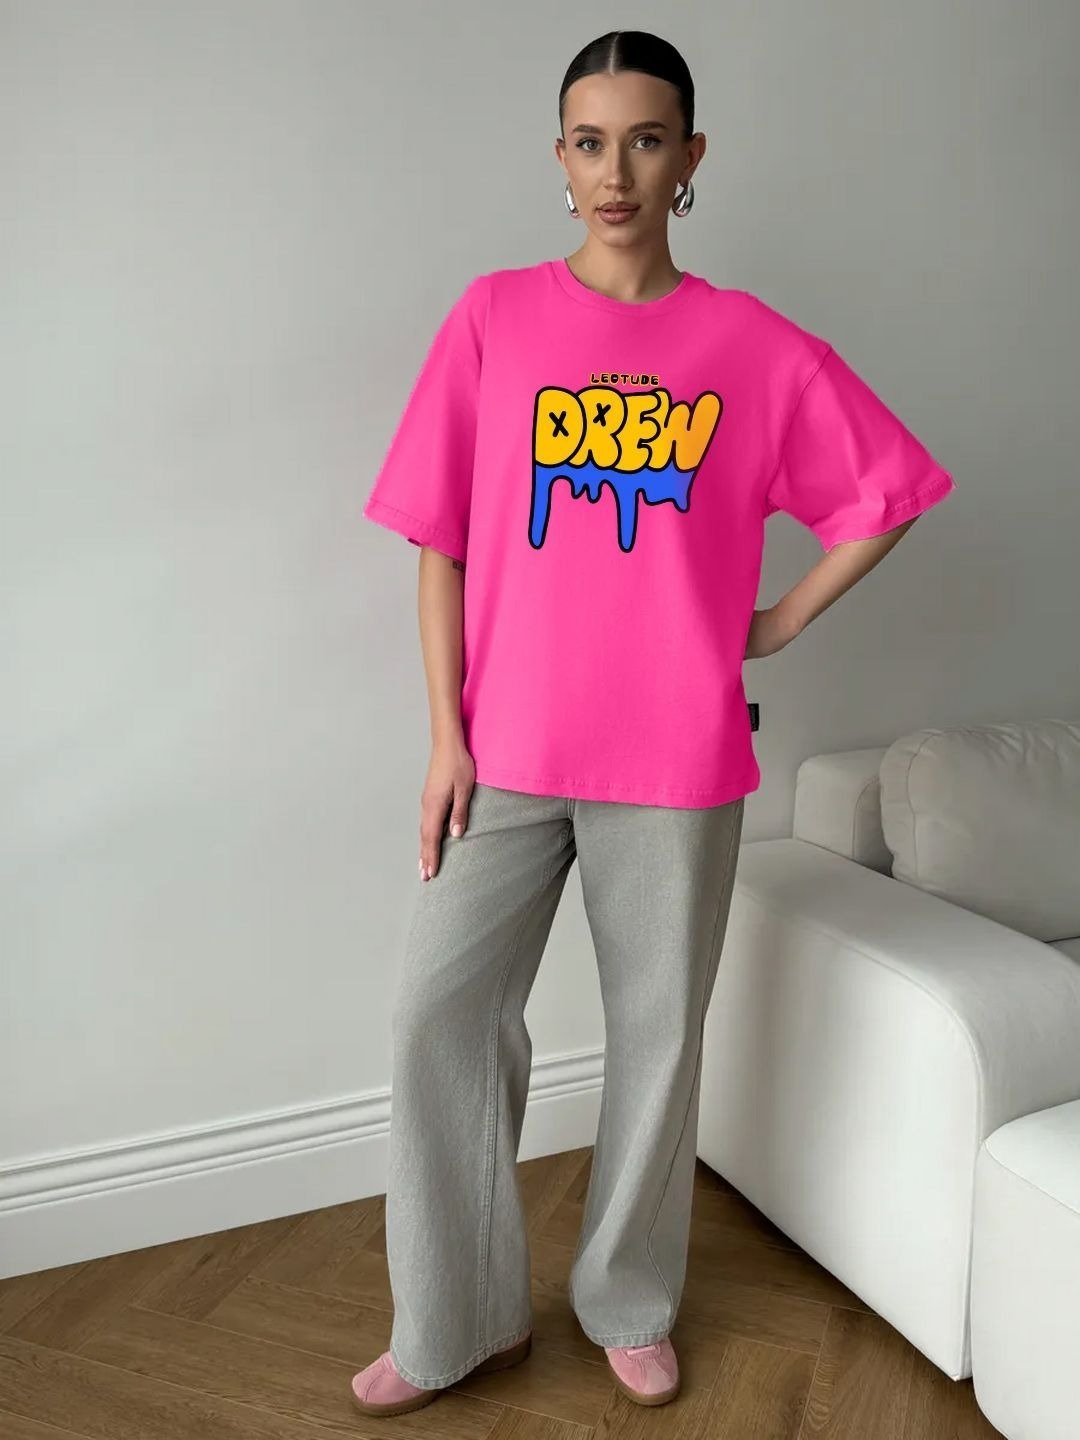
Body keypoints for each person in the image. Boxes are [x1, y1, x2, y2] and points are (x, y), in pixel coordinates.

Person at [350, 28, 956, 1418]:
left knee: (659, 1037)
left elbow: (889, 491)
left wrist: (779, 621)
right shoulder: (495, 318)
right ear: (559, 159)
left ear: (690, 157)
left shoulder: (750, 346)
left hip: (677, 755)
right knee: (438, 1016)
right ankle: (454, 1321)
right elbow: (439, 542)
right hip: (506, 746)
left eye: (644, 139)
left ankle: (629, 1298)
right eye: (589, 140)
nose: (615, 170)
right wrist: (446, 737)